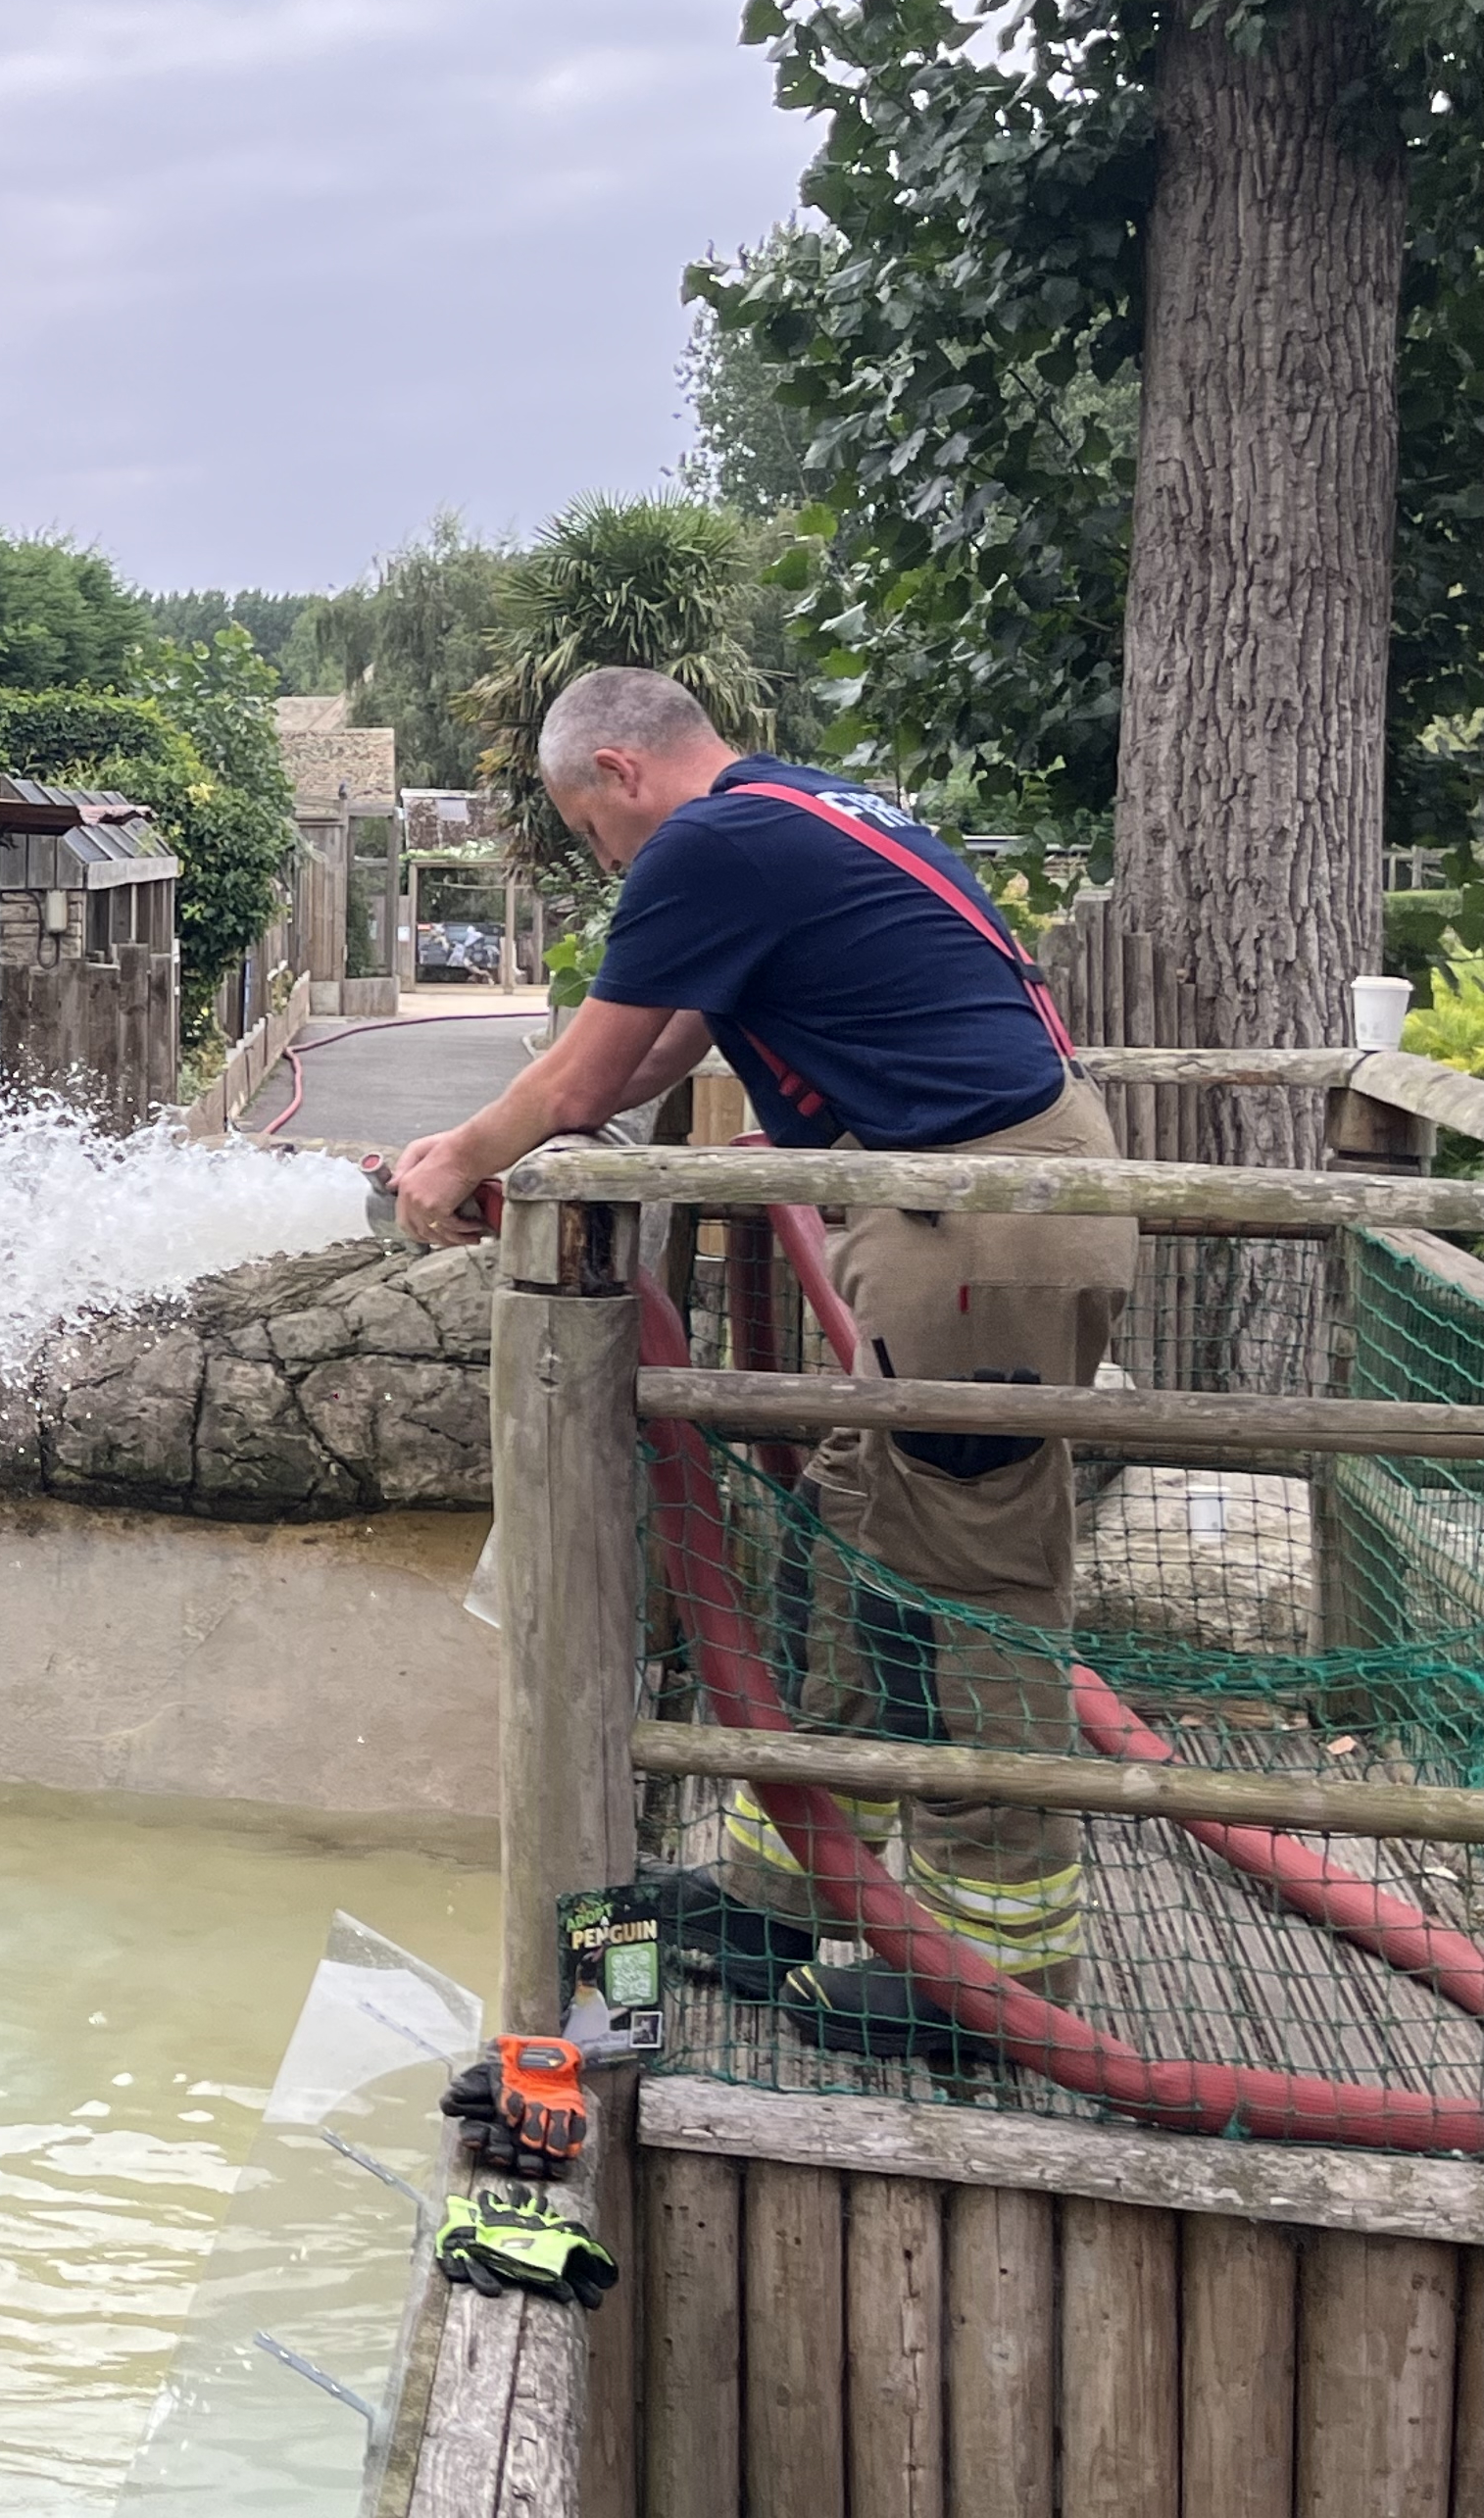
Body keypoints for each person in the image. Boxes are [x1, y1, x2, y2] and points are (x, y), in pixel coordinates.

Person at [385, 667, 1135, 2060]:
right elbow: (669, 1031)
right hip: (957, 1213)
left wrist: (452, 1160)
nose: (612, 864)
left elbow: (587, 1082)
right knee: (859, 1531)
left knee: (975, 1581)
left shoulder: (711, 841)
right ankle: (781, 1892)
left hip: (980, 1230)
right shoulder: (798, 809)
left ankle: (996, 1985)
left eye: (594, 835)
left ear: (619, 772)